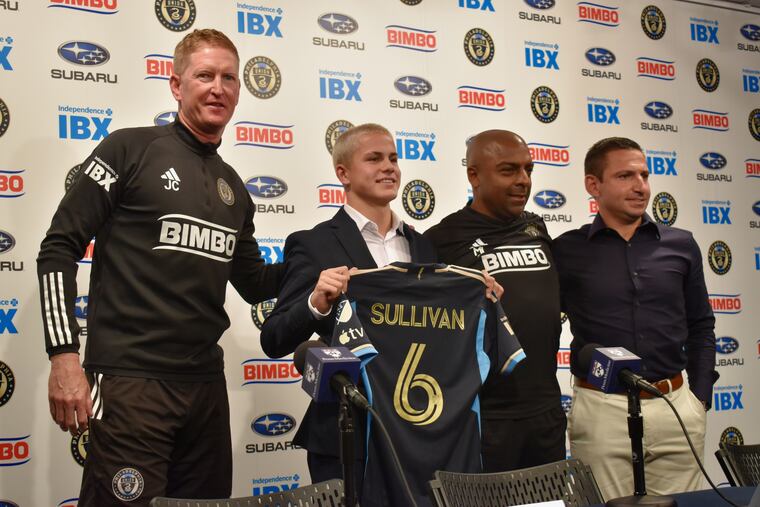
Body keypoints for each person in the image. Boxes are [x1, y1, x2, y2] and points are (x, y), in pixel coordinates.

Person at [37, 29, 282, 505]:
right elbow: (58, 247)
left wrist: (317, 259)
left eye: (229, 78)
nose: (219, 87)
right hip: (132, 383)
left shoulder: (235, 187)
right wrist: (64, 357)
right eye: (205, 75)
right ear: (176, 85)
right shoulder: (128, 150)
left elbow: (255, 285)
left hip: (206, 389)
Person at [260, 123, 439, 494]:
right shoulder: (313, 244)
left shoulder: (424, 247)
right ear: (342, 173)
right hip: (348, 434)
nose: (388, 167)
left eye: (393, 158)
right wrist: (316, 302)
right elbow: (274, 338)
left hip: (419, 427)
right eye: (373, 158)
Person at [553, 137, 716, 500]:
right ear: (593, 185)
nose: (640, 186)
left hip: (676, 409)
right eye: (625, 175)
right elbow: (545, 324)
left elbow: (702, 324)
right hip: (602, 412)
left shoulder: (682, 244)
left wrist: (699, 397)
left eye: (644, 174)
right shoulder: (566, 250)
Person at [424, 130, 566, 472]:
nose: (523, 181)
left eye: (528, 170)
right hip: (486, 417)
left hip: (546, 410)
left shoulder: (536, 226)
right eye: (509, 170)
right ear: (474, 175)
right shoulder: (441, 240)